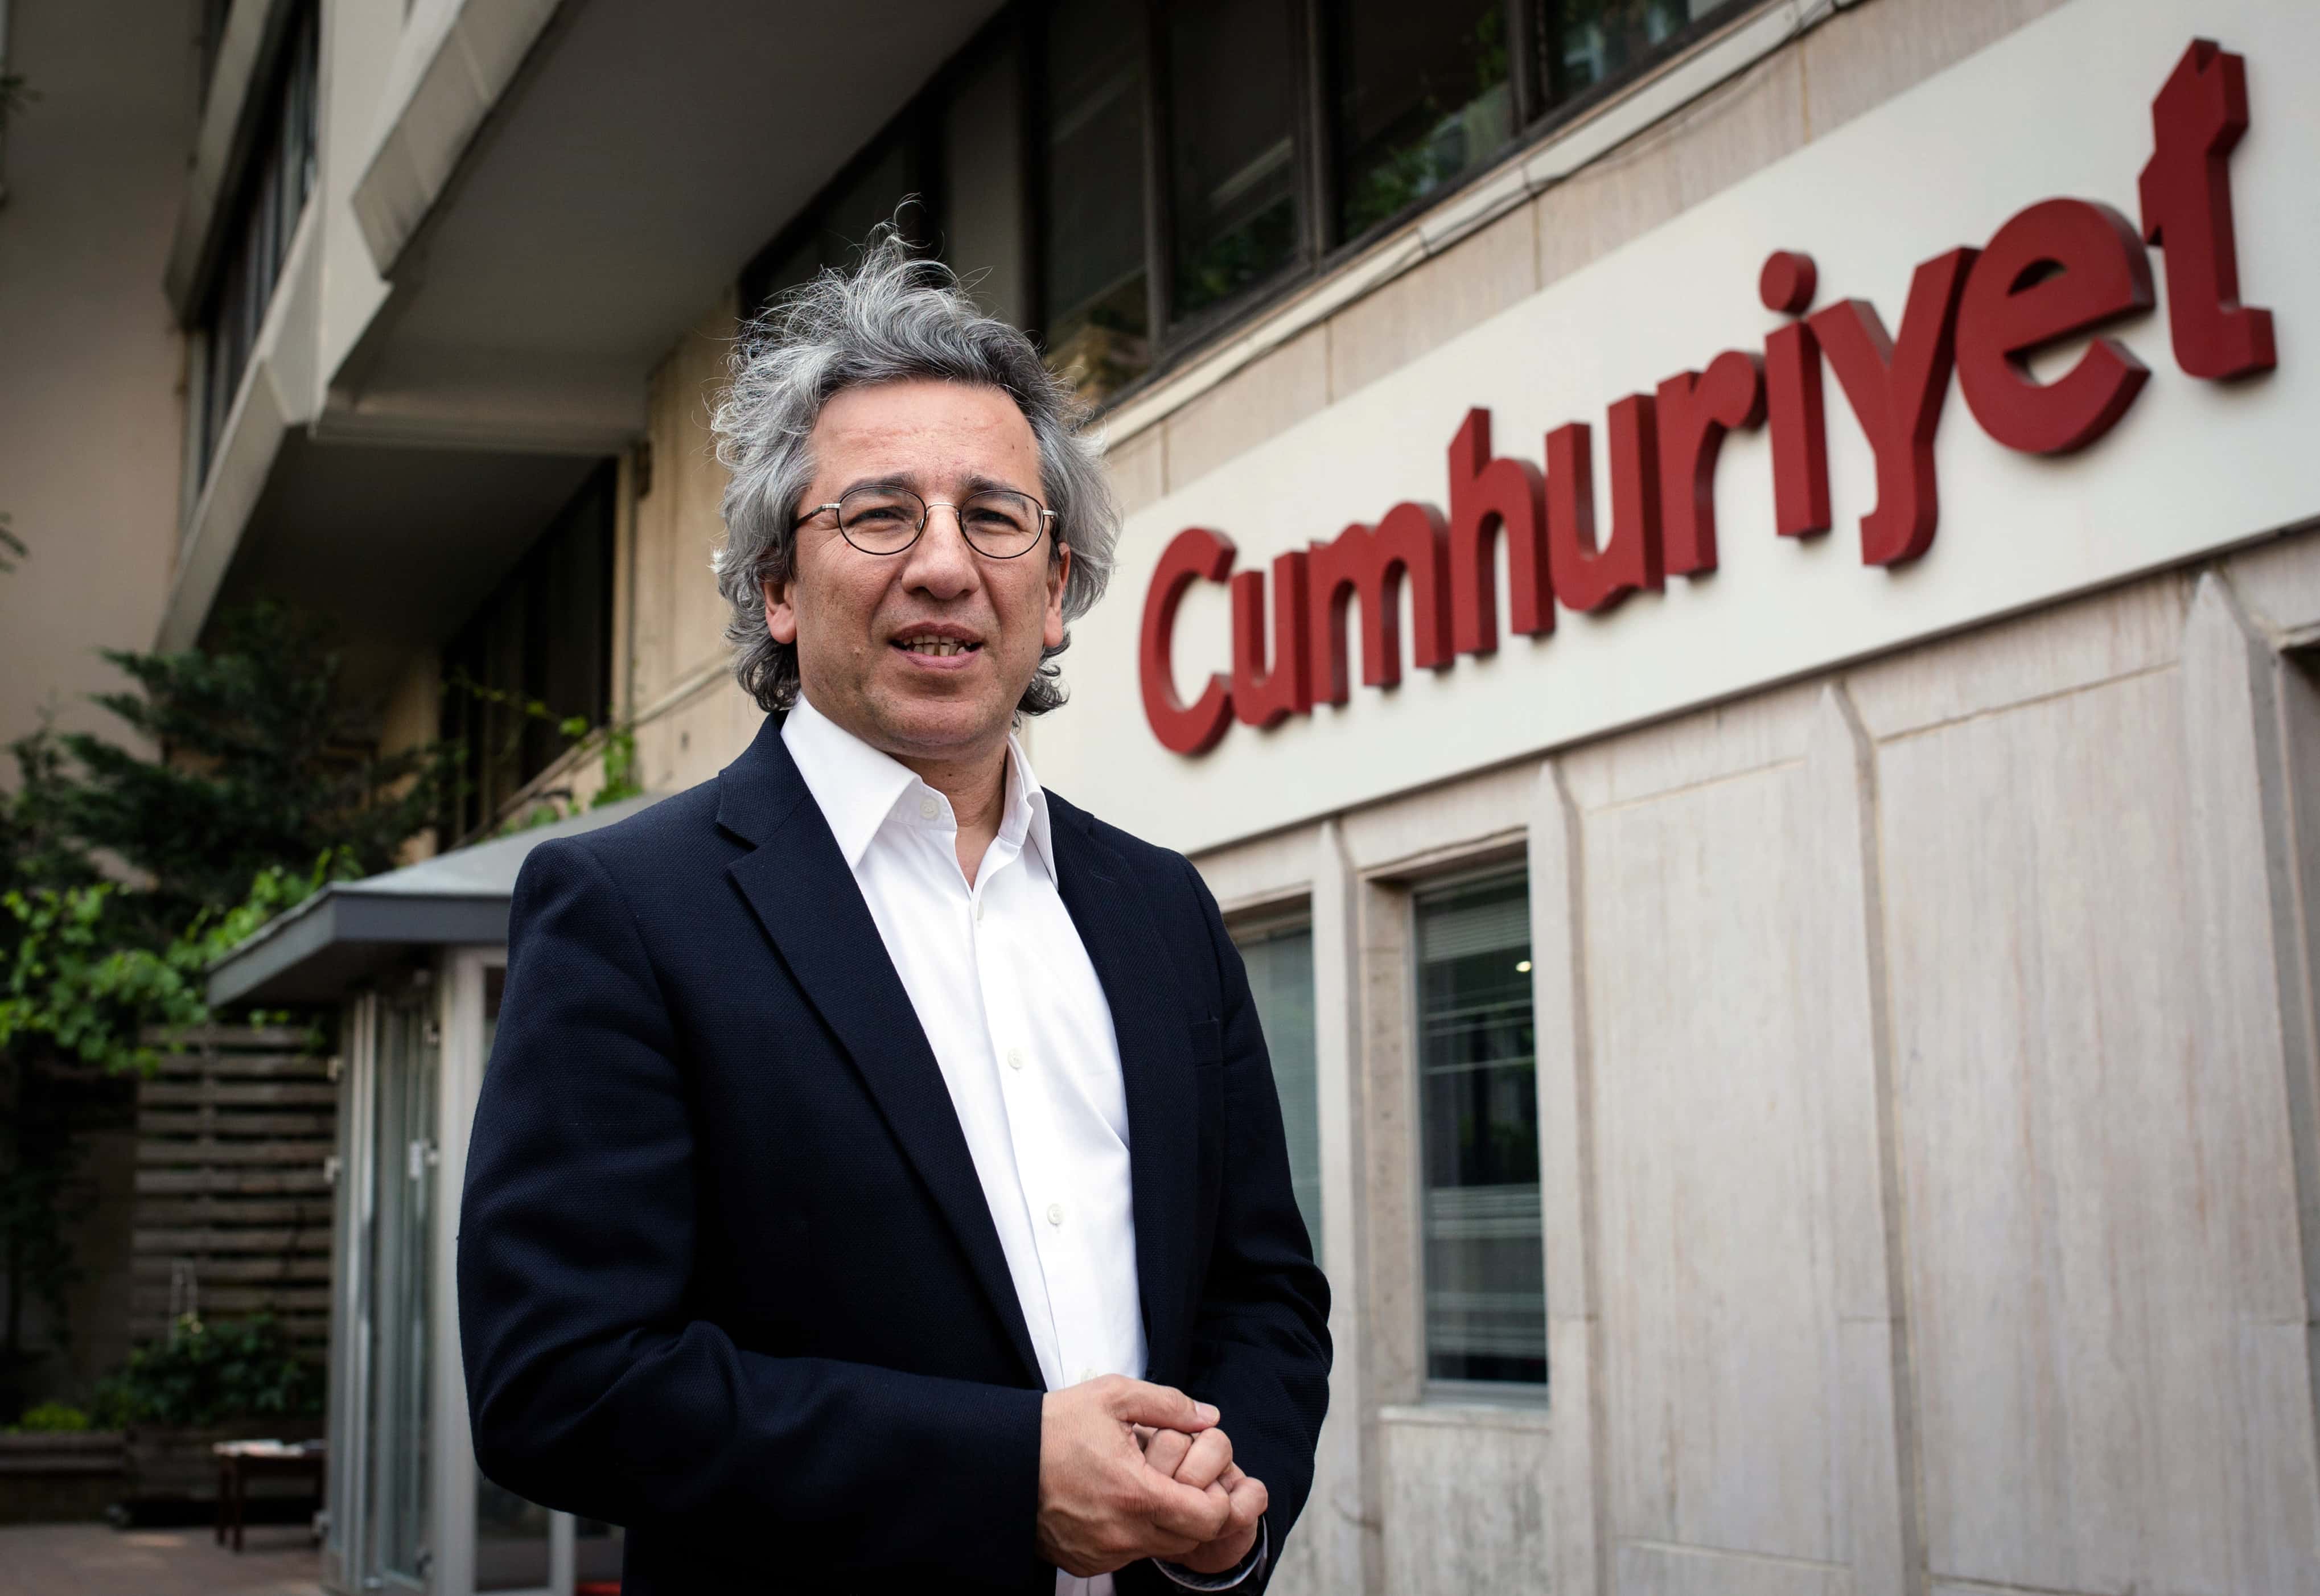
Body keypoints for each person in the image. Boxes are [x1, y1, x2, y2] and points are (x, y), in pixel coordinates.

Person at [456, 229, 1331, 1596]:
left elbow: (1262, 1295)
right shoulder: (631, 909)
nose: (942, 563)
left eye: (995, 516)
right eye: (877, 514)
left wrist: (1235, 1503)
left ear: (1054, 595)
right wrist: (1007, 1475)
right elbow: (561, 1380)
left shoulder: (1159, 907)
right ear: (779, 590)